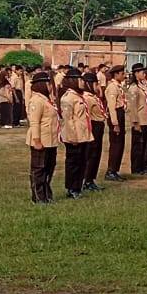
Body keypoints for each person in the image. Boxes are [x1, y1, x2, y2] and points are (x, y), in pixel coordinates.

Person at [25, 70, 59, 204]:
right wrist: (37, 140)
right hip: (41, 140)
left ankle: (46, 194)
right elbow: (34, 122)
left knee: (49, 168)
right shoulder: (36, 100)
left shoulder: (46, 100)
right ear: (41, 85)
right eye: (48, 84)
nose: (50, 87)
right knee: (39, 169)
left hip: (50, 140)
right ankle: (38, 196)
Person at [59, 69, 92, 199]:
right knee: (73, 163)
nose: (83, 82)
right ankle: (71, 188)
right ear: (73, 81)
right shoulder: (68, 98)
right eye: (80, 80)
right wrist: (72, 137)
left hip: (83, 134)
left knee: (82, 161)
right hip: (73, 136)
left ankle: (78, 186)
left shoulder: (79, 96)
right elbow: (68, 120)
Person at [81, 72, 107, 191]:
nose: (98, 87)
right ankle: (87, 180)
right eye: (96, 84)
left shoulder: (93, 97)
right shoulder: (87, 98)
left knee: (96, 153)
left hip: (99, 125)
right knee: (92, 154)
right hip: (93, 126)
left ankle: (91, 179)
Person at [125, 65, 147, 175]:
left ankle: (142, 166)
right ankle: (136, 168)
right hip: (139, 120)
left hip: (145, 119)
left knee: (143, 145)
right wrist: (135, 122)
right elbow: (132, 107)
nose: (144, 74)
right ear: (136, 73)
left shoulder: (141, 86)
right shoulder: (133, 88)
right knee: (137, 146)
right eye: (141, 72)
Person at [104, 64, 127, 181]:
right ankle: (111, 170)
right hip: (116, 114)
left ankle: (115, 170)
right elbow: (111, 107)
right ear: (116, 74)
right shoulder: (112, 87)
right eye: (122, 73)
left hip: (120, 113)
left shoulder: (118, 86)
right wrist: (115, 123)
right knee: (116, 144)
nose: (124, 75)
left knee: (120, 144)